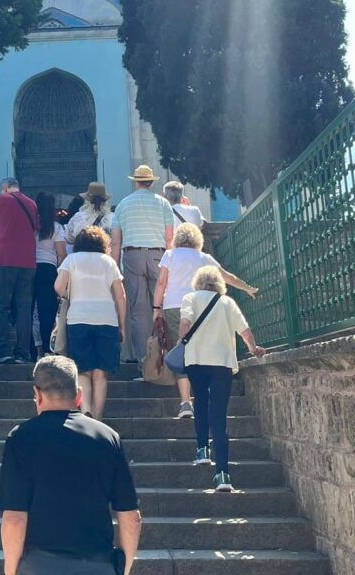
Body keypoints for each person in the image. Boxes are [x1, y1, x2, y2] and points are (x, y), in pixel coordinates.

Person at [0, 356, 141, 575]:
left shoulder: (20, 438)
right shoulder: (107, 437)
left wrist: (10, 571)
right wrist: (125, 568)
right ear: (79, 395)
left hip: (39, 566)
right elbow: (130, 516)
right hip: (97, 564)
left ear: (37, 395)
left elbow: (14, 518)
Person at [153, 224, 258, 419]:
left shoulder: (170, 255)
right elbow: (228, 278)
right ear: (197, 239)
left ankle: (186, 403)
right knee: (201, 351)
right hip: (200, 305)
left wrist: (156, 308)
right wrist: (248, 288)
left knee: (183, 351)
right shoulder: (204, 258)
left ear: (177, 239)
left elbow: (161, 283)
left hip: (174, 306)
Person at [178, 265, 266, 491]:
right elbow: (245, 332)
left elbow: (185, 324)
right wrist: (253, 349)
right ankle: (223, 474)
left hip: (196, 360)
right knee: (219, 415)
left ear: (197, 282)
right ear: (219, 283)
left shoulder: (190, 298)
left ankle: (202, 450)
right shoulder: (227, 303)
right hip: (222, 363)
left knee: (200, 402)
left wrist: (181, 341)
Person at [54, 226, 126, 420]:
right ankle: (98, 417)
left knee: (83, 372)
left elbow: (58, 286)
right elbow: (121, 296)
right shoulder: (108, 262)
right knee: (101, 374)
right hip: (106, 319)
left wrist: (71, 294)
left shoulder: (71, 260)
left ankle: (86, 411)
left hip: (78, 319)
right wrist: (122, 325)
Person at [110, 165, 175, 364]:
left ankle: (143, 361)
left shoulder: (123, 205)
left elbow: (115, 242)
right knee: (160, 305)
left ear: (136, 182)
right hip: (158, 256)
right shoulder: (163, 204)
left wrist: (115, 268)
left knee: (138, 311)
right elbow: (170, 238)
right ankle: (165, 358)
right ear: (151, 182)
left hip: (132, 256)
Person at [0, 178, 39, 363]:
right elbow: (34, 230)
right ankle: (22, 353)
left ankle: (3, 351)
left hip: (6, 259)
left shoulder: (1, 199)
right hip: (28, 261)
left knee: (2, 305)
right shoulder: (32, 204)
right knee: (24, 307)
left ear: (4, 188)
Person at [31, 191, 67, 358]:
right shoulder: (56, 227)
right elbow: (61, 254)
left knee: (29, 309)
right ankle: (47, 347)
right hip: (48, 269)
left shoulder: (31, 225)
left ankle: (31, 349)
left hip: (30, 267)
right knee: (47, 310)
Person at [64, 182, 113, 248]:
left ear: (87, 200)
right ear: (105, 201)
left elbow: (68, 238)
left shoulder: (79, 217)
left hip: (82, 252)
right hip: (105, 253)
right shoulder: (112, 217)